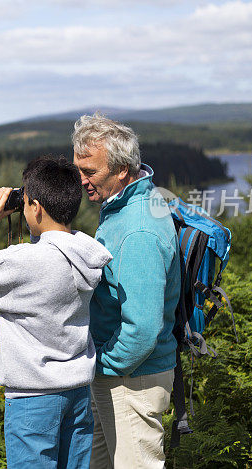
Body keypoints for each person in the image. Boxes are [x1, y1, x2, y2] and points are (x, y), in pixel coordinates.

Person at [0, 156, 113, 469]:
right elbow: (51, 249)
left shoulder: (26, 263)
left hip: (33, 400)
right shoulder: (85, 254)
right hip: (77, 393)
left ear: (34, 207)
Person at [72, 115, 181, 469]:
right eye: (78, 169)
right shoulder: (124, 206)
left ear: (121, 169)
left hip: (131, 379)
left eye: (90, 171)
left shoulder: (138, 231)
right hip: (121, 375)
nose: (82, 180)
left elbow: (143, 328)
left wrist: (101, 364)